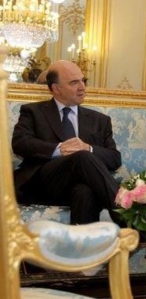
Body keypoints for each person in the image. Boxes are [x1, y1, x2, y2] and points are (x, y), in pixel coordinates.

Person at [11, 60, 122, 225]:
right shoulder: (33, 111)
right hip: (44, 183)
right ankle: (127, 219)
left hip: (79, 185)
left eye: (83, 81)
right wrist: (59, 149)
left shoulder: (100, 120)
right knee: (81, 157)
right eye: (74, 82)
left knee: (85, 191)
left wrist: (88, 148)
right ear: (56, 88)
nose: (82, 87)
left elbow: (114, 159)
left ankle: (83, 248)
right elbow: (20, 143)